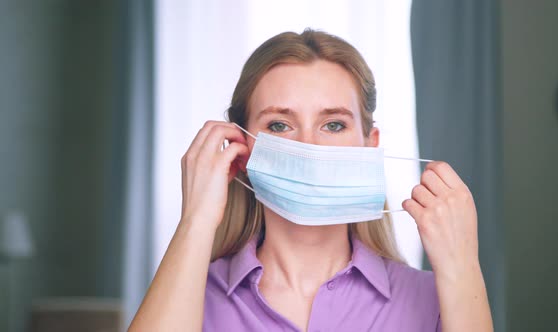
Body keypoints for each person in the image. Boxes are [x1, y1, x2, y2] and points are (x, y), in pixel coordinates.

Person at [129, 29, 493, 331]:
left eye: (333, 124)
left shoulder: (435, 298)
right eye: (279, 125)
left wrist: (463, 265)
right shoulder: (189, 297)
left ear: (370, 145)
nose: (308, 146)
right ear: (241, 150)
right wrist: (196, 219)